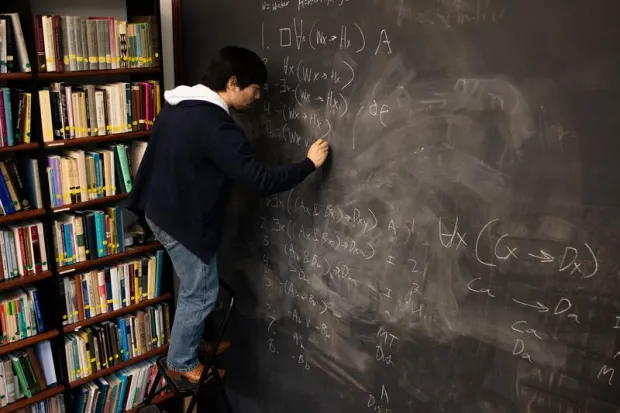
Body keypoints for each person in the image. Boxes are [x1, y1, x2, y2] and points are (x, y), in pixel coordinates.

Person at [126, 46, 329, 384]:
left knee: (195, 283)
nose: (258, 96)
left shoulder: (179, 106)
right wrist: (309, 164)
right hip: (180, 221)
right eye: (255, 88)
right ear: (233, 83)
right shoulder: (216, 126)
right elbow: (259, 180)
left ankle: (191, 340)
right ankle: (181, 359)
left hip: (157, 207)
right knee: (201, 291)